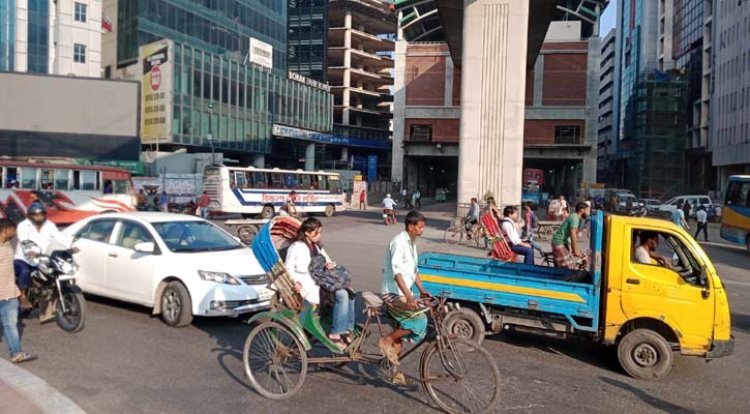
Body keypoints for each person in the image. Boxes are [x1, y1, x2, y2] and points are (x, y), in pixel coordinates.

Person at [285, 218, 354, 350]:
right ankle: (335, 333)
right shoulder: (296, 247)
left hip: (322, 280)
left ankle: (346, 328)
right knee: (342, 295)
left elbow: (328, 260)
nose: (319, 236)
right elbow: (288, 269)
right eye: (316, 233)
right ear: (306, 233)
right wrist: (295, 282)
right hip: (308, 287)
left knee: (349, 291)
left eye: (320, 233)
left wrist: (329, 264)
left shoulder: (317, 246)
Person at [379, 211, 431, 382]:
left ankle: (395, 372)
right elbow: (397, 273)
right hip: (392, 293)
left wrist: (422, 290)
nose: (422, 230)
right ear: (411, 226)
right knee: (419, 319)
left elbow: (413, 271)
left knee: (423, 314)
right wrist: (409, 296)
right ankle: (387, 340)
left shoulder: (412, 242)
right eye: (420, 227)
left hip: (404, 291)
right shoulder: (399, 242)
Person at [13, 203, 76, 310]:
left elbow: (59, 236)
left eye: (41, 214)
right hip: (23, 258)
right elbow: (23, 240)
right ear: (30, 215)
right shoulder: (23, 226)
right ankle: (23, 296)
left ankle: (47, 296)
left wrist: (71, 246)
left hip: (41, 258)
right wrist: (31, 251)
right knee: (25, 271)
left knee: (53, 273)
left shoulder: (49, 225)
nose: (39, 217)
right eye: (36, 215)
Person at [0, 219, 37, 363]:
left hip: (10, 293)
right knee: (10, 325)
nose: (15, 233)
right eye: (13, 230)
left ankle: (16, 353)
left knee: (10, 325)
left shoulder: (9, 244)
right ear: (6, 230)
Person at [550, 202, 591, 269]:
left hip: (563, 242)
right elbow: (573, 235)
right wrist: (575, 251)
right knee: (567, 268)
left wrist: (575, 249)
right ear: (581, 210)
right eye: (588, 210)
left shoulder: (576, 218)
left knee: (562, 268)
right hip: (559, 242)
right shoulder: (575, 218)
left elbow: (574, 236)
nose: (589, 213)